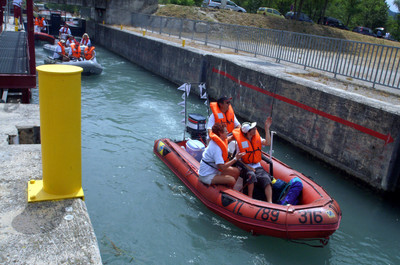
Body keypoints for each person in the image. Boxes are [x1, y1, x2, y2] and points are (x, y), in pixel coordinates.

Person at [232, 118, 273, 202]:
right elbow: (237, 159)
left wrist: (267, 129)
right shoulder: (240, 144)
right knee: (251, 175)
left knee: (266, 179)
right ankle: (250, 199)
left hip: (256, 165)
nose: (256, 129)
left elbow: (267, 143)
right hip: (245, 167)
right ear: (248, 132)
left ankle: (270, 202)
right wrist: (248, 167)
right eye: (253, 128)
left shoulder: (256, 138)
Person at [199, 123, 244, 187]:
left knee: (236, 171)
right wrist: (235, 159)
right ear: (220, 133)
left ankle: (229, 188)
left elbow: (228, 139)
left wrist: (237, 136)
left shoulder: (219, 141)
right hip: (207, 174)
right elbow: (222, 167)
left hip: (214, 169)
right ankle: (228, 192)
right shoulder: (216, 148)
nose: (228, 132)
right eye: (226, 131)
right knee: (232, 180)